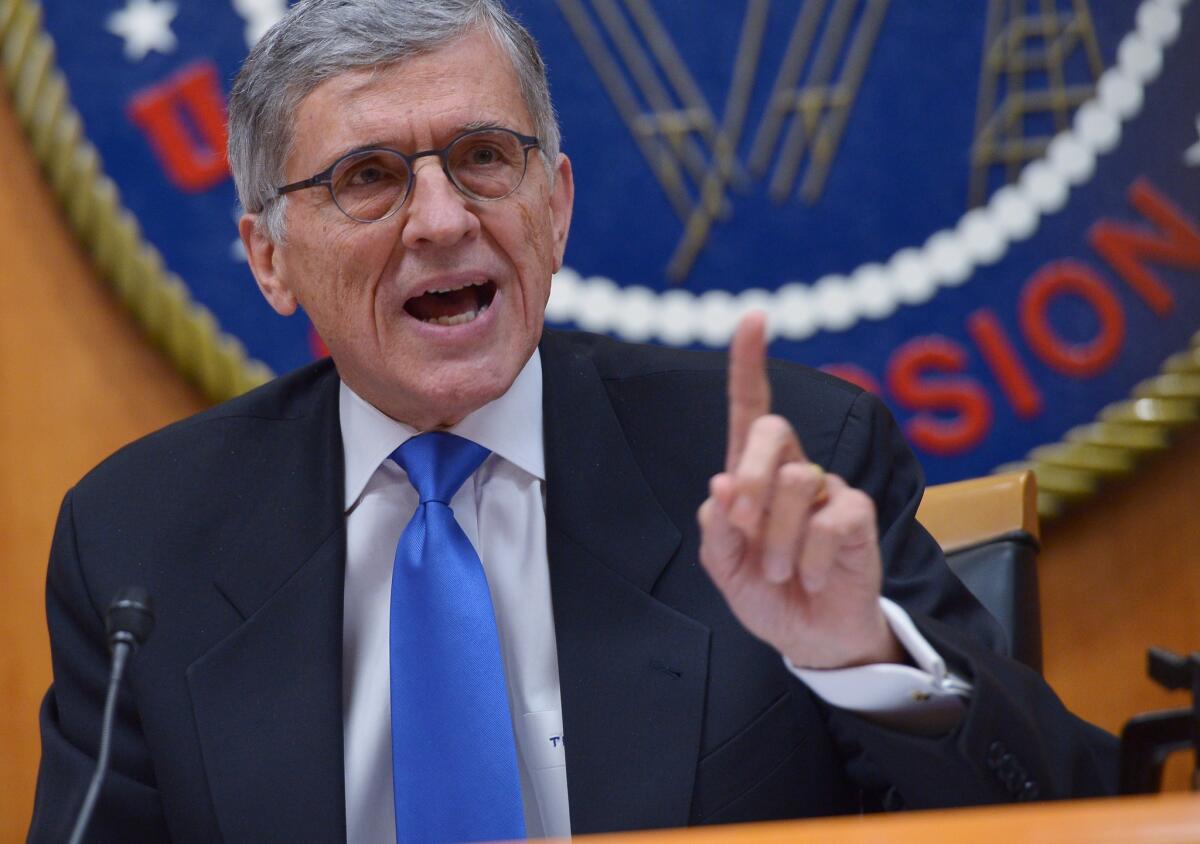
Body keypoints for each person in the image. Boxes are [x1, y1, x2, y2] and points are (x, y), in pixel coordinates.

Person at [29, 1, 1116, 841]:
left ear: (556, 206)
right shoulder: (141, 544)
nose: (444, 220)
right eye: (368, 178)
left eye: (484, 157)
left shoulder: (784, 460)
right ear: (269, 258)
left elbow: (1077, 811)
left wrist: (861, 657)